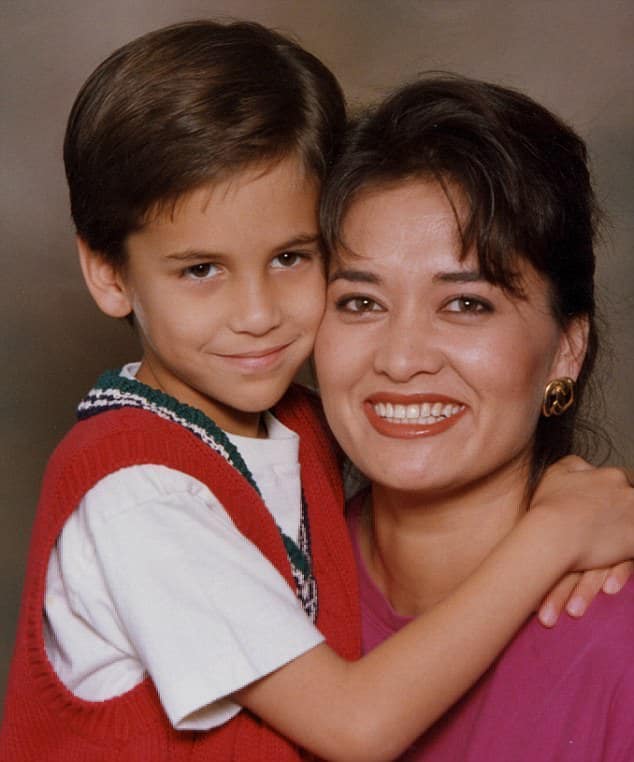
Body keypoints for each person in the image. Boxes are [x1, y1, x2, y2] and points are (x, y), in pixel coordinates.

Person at [1, 22, 633, 762]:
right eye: (362, 301)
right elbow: (356, 727)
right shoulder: (142, 495)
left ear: (568, 346)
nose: (258, 314)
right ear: (110, 274)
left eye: (292, 258)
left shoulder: (290, 432)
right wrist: (556, 536)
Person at [316, 74, 634, 760]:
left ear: (566, 350)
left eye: (467, 304)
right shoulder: (257, 585)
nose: (401, 360)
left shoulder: (619, 645)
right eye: (360, 302)